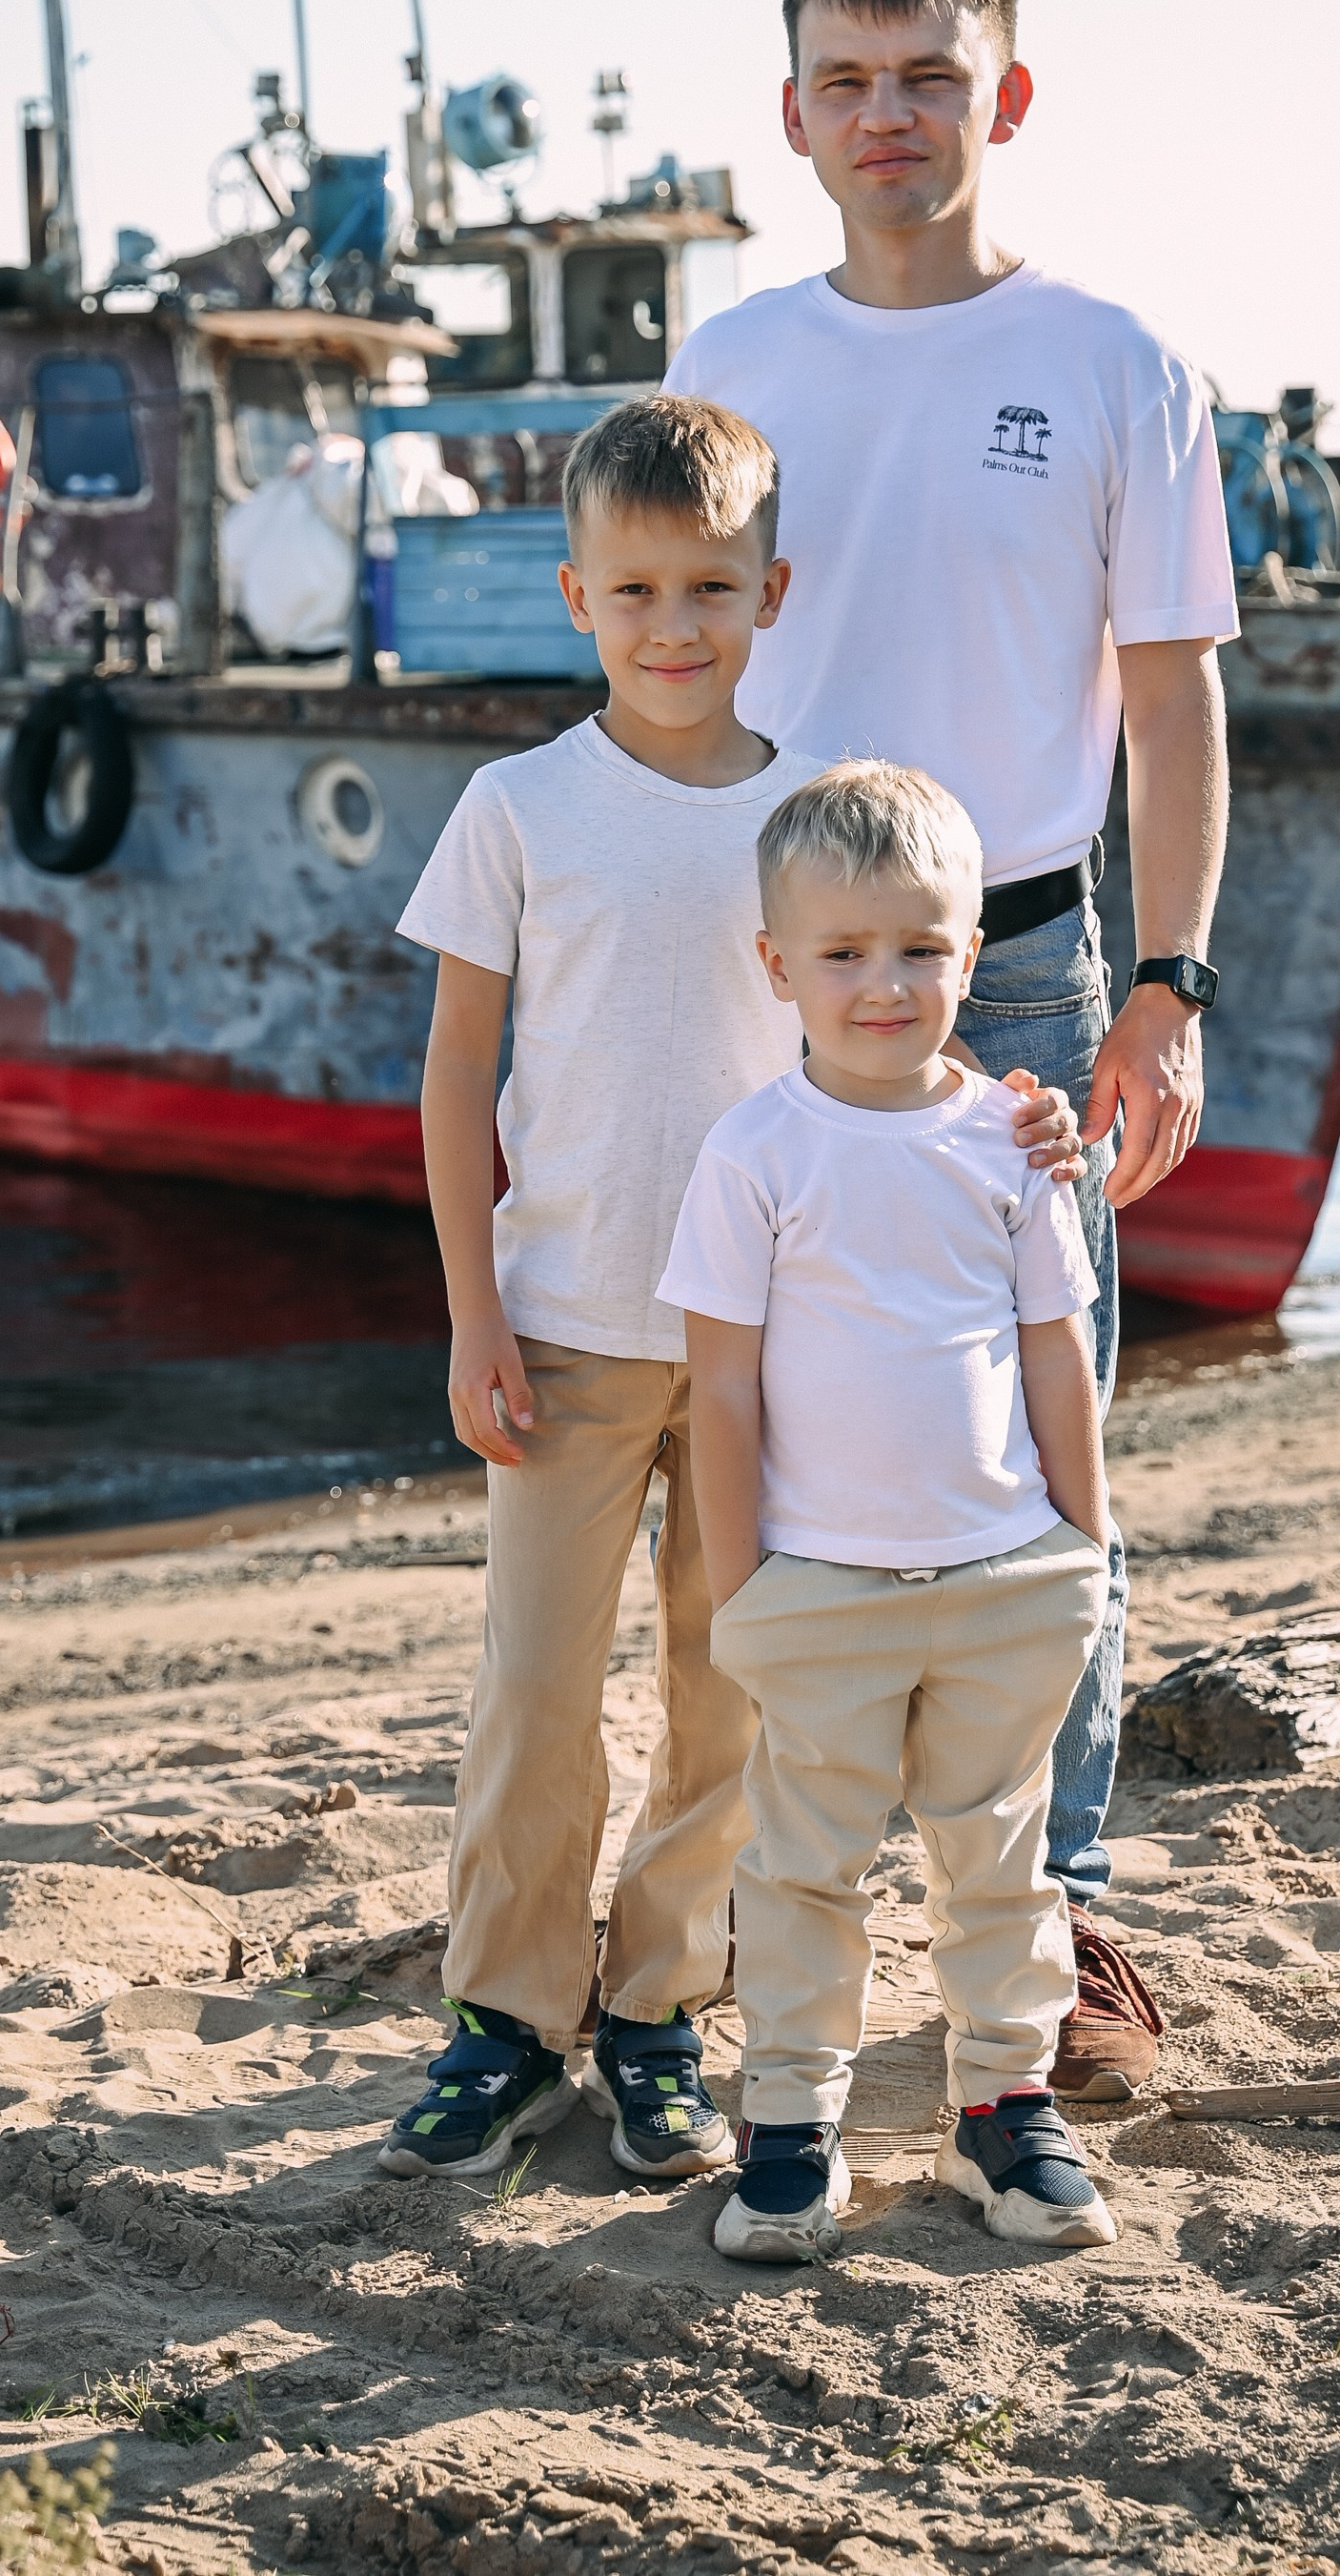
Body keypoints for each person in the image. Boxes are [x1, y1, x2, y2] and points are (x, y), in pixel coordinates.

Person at [378, 395, 1080, 2185]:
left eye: (709, 585)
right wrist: (468, 1314)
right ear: (574, 595)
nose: (672, 625)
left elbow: (886, 1024)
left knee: (731, 1692)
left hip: (783, 1354)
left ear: (773, 590)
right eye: (634, 590)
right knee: (535, 1692)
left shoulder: (810, 813)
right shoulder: (517, 808)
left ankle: (655, 2011)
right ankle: (506, 2020)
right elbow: (459, 1075)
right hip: (561, 1328)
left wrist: (1023, 1116)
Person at [665, 0, 1237, 2092]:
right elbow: (669, 663)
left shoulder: (1112, 363)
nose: (886, 116)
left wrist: (1165, 990)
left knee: (1041, 1417)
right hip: (768, 935)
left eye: (927, 76)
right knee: (750, 1401)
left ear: (1001, 99)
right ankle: (751, 1881)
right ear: (792, 113)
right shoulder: (731, 360)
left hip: (1015, 949)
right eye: (845, 79)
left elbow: (1175, 712)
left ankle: (1056, 1910)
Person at [662, 761, 1116, 2262]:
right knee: (803, 1865)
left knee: (1002, 1858)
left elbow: (1053, 1344)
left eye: (920, 949)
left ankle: (1003, 2110)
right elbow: (719, 1392)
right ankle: (791, 2129)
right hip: (818, 1589)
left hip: (1007, 1573)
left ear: (971, 956)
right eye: (843, 954)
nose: (883, 985)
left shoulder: (1009, 1141)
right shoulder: (754, 1155)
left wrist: (1082, 1545)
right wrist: (747, 1587)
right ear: (775, 965)